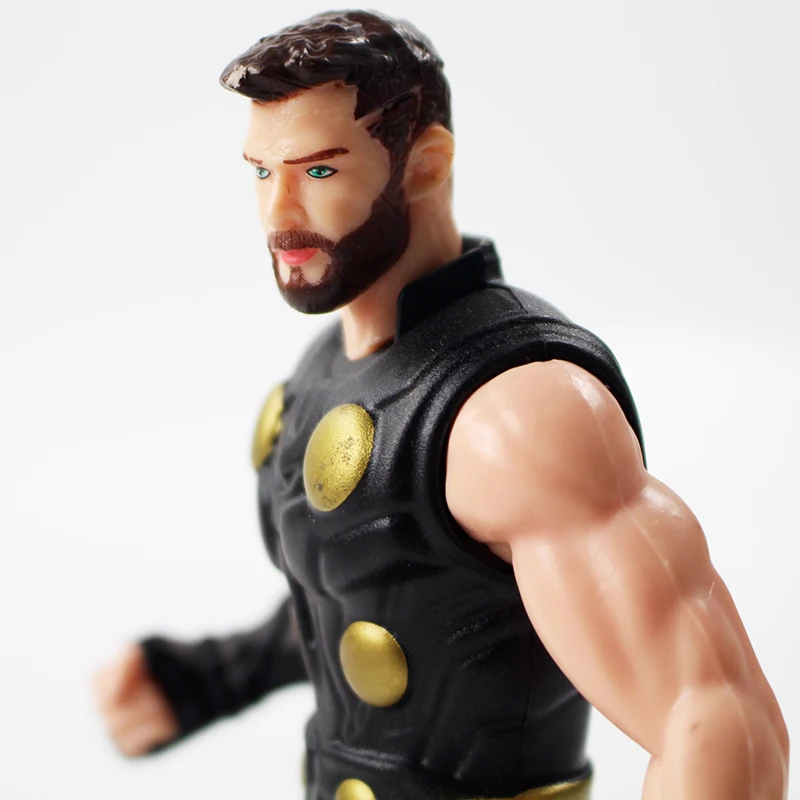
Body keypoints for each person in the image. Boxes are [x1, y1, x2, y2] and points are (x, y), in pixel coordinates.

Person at [94, 11, 789, 800]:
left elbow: (718, 722)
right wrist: (213, 679)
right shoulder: (326, 372)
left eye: (317, 173)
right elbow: (382, 599)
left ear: (424, 166)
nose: (278, 215)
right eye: (261, 173)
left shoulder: (517, 415)